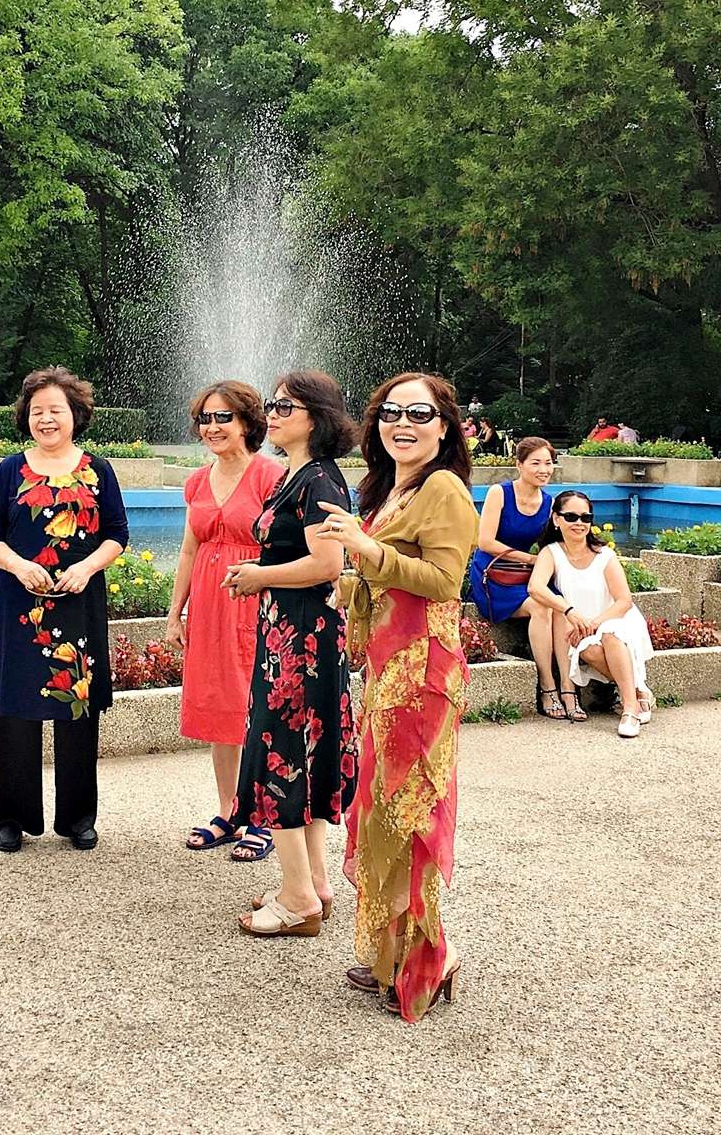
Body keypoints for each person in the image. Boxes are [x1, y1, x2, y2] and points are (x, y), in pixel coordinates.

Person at [321, 371, 477, 1023]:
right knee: (383, 811)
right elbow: (387, 578)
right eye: (391, 413)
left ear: (444, 427)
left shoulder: (444, 489)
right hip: (390, 675)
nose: (402, 424)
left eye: (418, 413)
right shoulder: (393, 488)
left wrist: (365, 551)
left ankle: (427, 962)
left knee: (408, 816)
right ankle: (392, 952)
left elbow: (445, 581)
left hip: (421, 677)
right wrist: (349, 584)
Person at [0, 367, 128, 853]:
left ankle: (78, 818)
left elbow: (117, 534)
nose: (46, 419)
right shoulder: (10, 470)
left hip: (78, 604)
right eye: (37, 411)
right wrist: (19, 566)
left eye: (55, 410)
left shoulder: (98, 470)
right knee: (14, 710)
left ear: (75, 415)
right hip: (20, 604)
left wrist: (87, 567)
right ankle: (12, 818)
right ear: (26, 417)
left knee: (77, 706)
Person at [227, 370, 356, 899]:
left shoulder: (318, 480)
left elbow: (328, 563)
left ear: (316, 418)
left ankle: (297, 897)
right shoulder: (297, 475)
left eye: (285, 407)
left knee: (282, 749)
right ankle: (316, 883)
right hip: (293, 631)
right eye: (271, 404)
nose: (272, 414)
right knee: (304, 753)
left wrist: (260, 576)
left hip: (301, 637)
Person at [166, 381, 285, 854]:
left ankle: (266, 815)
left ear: (247, 423)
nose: (212, 427)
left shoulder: (271, 476)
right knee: (220, 709)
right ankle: (231, 811)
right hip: (210, 605)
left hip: (256, 601)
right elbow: (189, 548)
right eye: (205, 419)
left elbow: (286, 546)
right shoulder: (197, 481)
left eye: (223, 418)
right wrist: (175, 612)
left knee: (258, 706)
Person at [528, 490, 656, 734]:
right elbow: (535, 587)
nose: (579, 523)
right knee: (588, 650)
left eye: (585, 518)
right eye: (571, 517)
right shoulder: (551, 552)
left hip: (615, 619)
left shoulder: (604, 555)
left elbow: (624, 601)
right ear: (556, 519)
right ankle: (638, 691)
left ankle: (630, 709)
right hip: (583, 626)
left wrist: (594, 624)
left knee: (610, 634)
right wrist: (569, 611)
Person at [468, 437, 563, 716]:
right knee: (542, 606)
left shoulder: (549, 502)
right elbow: (485, 542)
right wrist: (530, 559)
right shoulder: (500, 493)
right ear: (519, 465)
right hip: (493, 574)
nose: (544, 470)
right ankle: (547, 687)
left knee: (559, 604)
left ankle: (568, 685)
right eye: (536, 463)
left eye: (548, 463)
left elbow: (552, 545)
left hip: (523, 576)